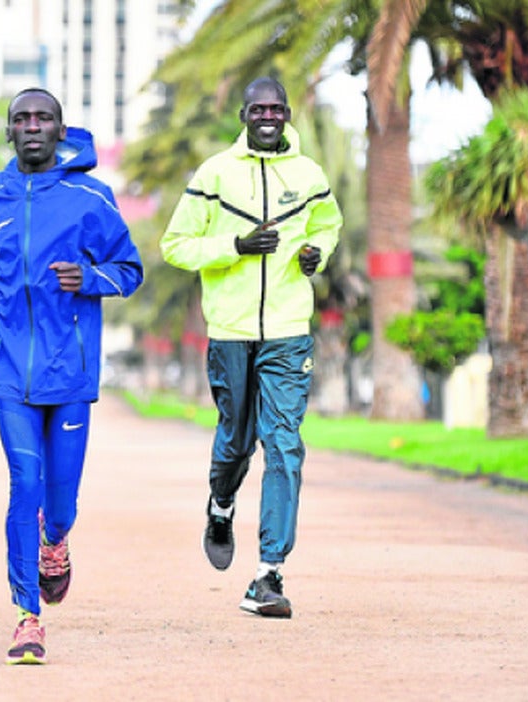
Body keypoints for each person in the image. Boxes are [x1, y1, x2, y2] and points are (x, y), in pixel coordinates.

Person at [0, 88, 143, 664]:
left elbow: (129, 269)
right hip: (9, 372)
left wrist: (89, 278)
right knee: (23, 486)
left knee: (59, 503)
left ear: (61, 130)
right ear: (9, 131)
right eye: (21, 119)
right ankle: (26, 616)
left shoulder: (90, 197)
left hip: (71, 373)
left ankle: (55, 542)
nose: (32, 126)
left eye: (43, 118)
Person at [159, 77, 342, 618]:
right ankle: (220, 506)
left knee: (284, 445)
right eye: (258, 108)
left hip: (288, 330)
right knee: (236, 441)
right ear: (243, 114)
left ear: (288, 114)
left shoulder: (308, 176)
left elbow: (328, 227)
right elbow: (176, 245)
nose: (268, 116)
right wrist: (233, 247)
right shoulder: (215, 174)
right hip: (231, 331)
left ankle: (269, 574)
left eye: (276, 109)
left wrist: (317, 254)